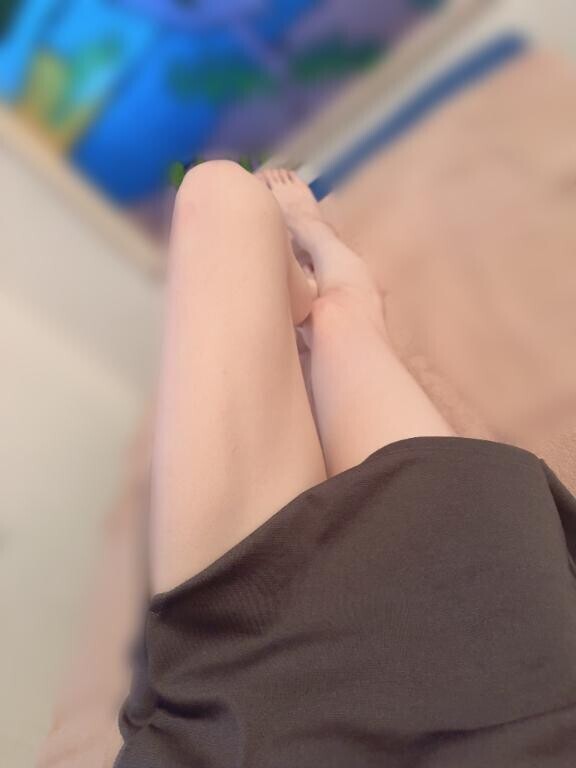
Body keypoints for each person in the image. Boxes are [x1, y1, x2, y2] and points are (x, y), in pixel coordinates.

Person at [115, 161, 576, 767]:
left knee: (216, 195)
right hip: (479, 640)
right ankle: (319, 253)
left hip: (228, 670)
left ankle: (305, 282)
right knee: (341, 317)